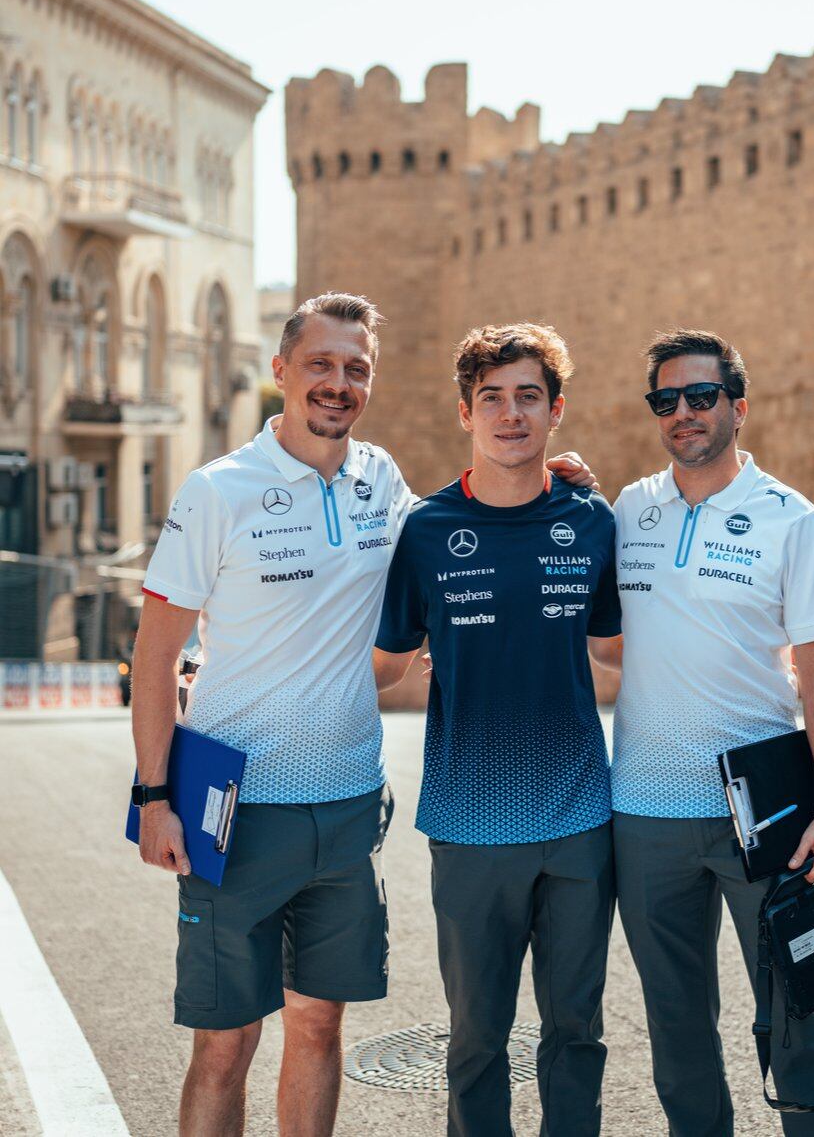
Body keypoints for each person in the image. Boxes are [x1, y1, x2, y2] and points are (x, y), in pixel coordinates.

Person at [131, 293, 595, 1137]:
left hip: (349, 808)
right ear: (280, 370)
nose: (337, 384)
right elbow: (155, 656)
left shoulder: (382, 483)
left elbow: (472, 512)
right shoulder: (216, 492)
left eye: (356, 369)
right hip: (231, 808)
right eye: (320, 365)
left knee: (319, 1026)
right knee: (224, 1044)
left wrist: (550, 475)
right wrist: (155, 797)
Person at [592, 327, 814, 1137]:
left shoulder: (789, 516)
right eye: (666, 400)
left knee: (800, 1019)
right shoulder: (627, 511)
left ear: (737, 408)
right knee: (677, 1033)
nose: (684, 412)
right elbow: (606, 644)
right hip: (643, 814)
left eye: (701, 396)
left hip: (768, 812)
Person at [373, 323, 622, 1137]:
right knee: (477, 1042)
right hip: (469, 828)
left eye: (528, 397)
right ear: (464, 413)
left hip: (582, 823)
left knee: (576, 1034)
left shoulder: (592, 520)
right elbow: (382, 663)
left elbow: (621, 649)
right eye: (492, 399)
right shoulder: (426, 531)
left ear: (556, 412)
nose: (510, 415)